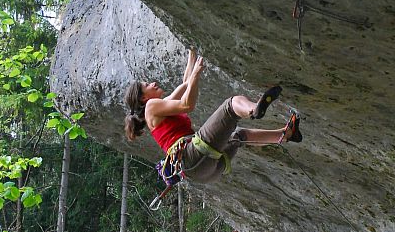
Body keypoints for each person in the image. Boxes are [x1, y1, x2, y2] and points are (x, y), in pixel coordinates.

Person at [124, 49, 301, 184]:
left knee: (239, 135)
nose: (153, 83)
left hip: (203, 172)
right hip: (191, 155)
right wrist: (196, 74)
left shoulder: (157, 110)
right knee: (230, 106)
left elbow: (185, 85)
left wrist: (191, 54)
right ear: (143, 98)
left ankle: (285, 135)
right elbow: (187, 104)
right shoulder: (151, 107)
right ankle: (255, 109)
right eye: (147, 84)